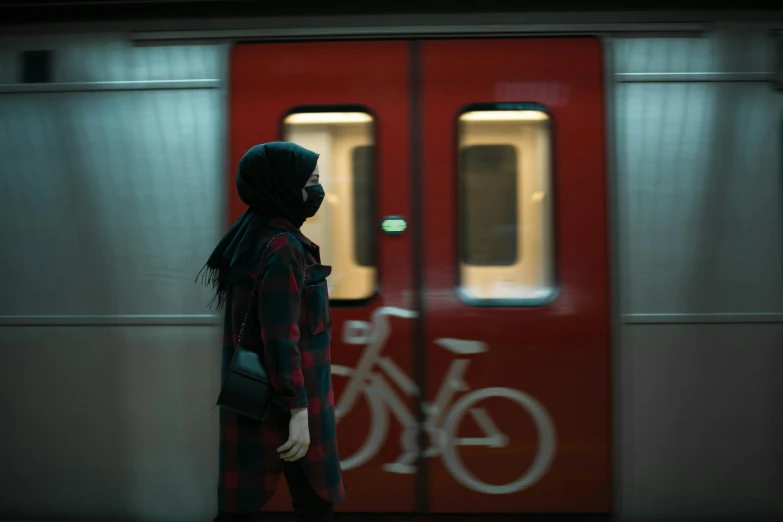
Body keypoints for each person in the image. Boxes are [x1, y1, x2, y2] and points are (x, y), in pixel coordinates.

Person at [199, 142, 345, 522]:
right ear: (282, 186)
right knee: (314, 504)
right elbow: (282, 338)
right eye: (310, 181)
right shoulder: (282, 248)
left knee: (254, 505)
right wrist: (299, 409)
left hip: (259, 396)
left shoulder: (255, 239)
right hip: (285, 400)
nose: (317, 191)